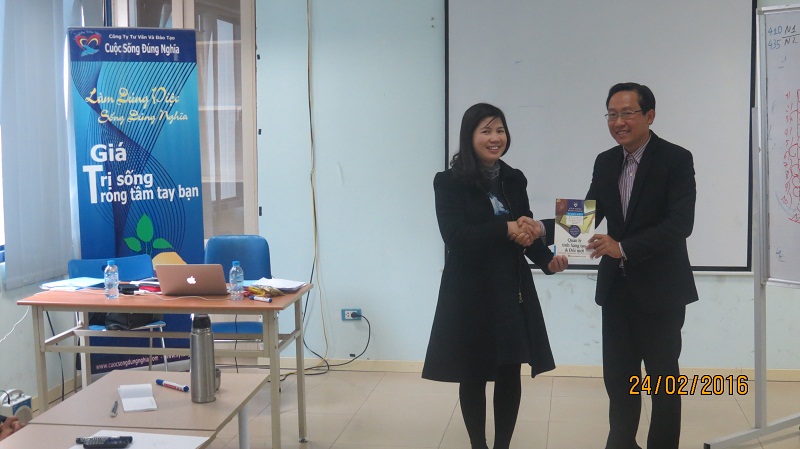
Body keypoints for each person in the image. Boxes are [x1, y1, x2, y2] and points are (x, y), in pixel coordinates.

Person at [422, 102, 568, 449]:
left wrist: (547, 261)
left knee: (509, 370)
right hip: (469, 291)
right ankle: (479, 444)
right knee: (472, 372)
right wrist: (505, 228)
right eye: (486, 131)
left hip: (510, 288)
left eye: (500, 130)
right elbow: (455, 236)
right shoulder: (448, 182)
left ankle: (502, 445)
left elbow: (525, 231)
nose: (495, 138)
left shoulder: (513, 178)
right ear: (469, 136)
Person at [583, 83, 698, 449]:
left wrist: (623, 248)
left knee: (662, 383)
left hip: (661, 291)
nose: (618, 122)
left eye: (627, 113)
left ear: (649, 116)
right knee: (619, 382)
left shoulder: (675, 159)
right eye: (612, 114)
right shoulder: (605, 161)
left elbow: (680, 224)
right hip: (616, 291)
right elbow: (585, 217)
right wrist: (540, 230)